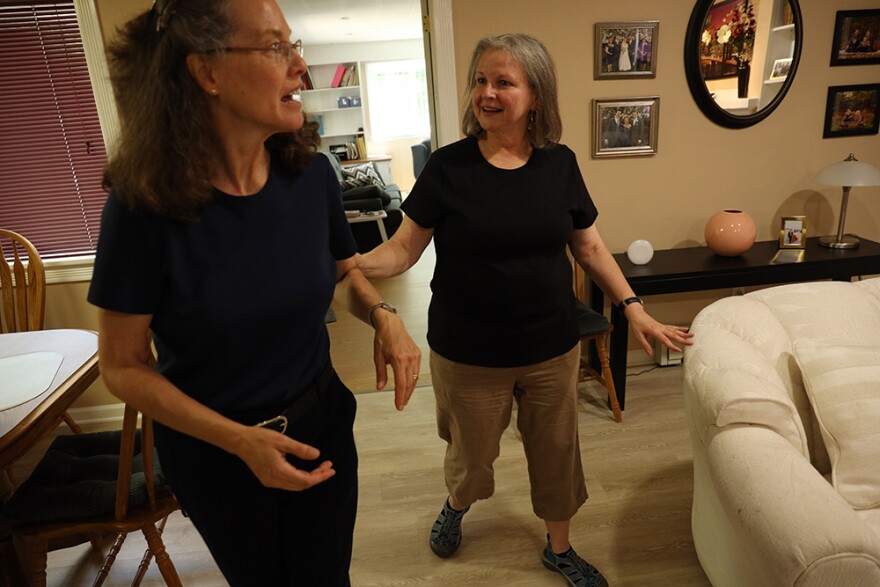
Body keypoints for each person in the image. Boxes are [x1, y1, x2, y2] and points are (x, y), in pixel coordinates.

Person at [86, 0, 421, 584]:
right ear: (207, 72)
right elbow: (122, 365)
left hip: (321, 425)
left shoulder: (312, 176)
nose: (300, 65)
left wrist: (383, 314)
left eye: (293, 45)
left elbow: (345, 274)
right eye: (275, 47)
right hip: (217, 454)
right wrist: (239, 442)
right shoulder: (143, 208)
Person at [356, 33, 692, 587]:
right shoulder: (447, 168)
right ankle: (458, 504)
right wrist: (356, 263)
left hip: (549, 345)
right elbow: (404, 247)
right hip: (468, 351)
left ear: (535, 95)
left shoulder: (559, 165)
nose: (486, 93)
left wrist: (634, 307)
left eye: (503, 82)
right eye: (480, 80)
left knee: (557, 452)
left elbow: (588, 245)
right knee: (472, 457)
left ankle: (559, 549)